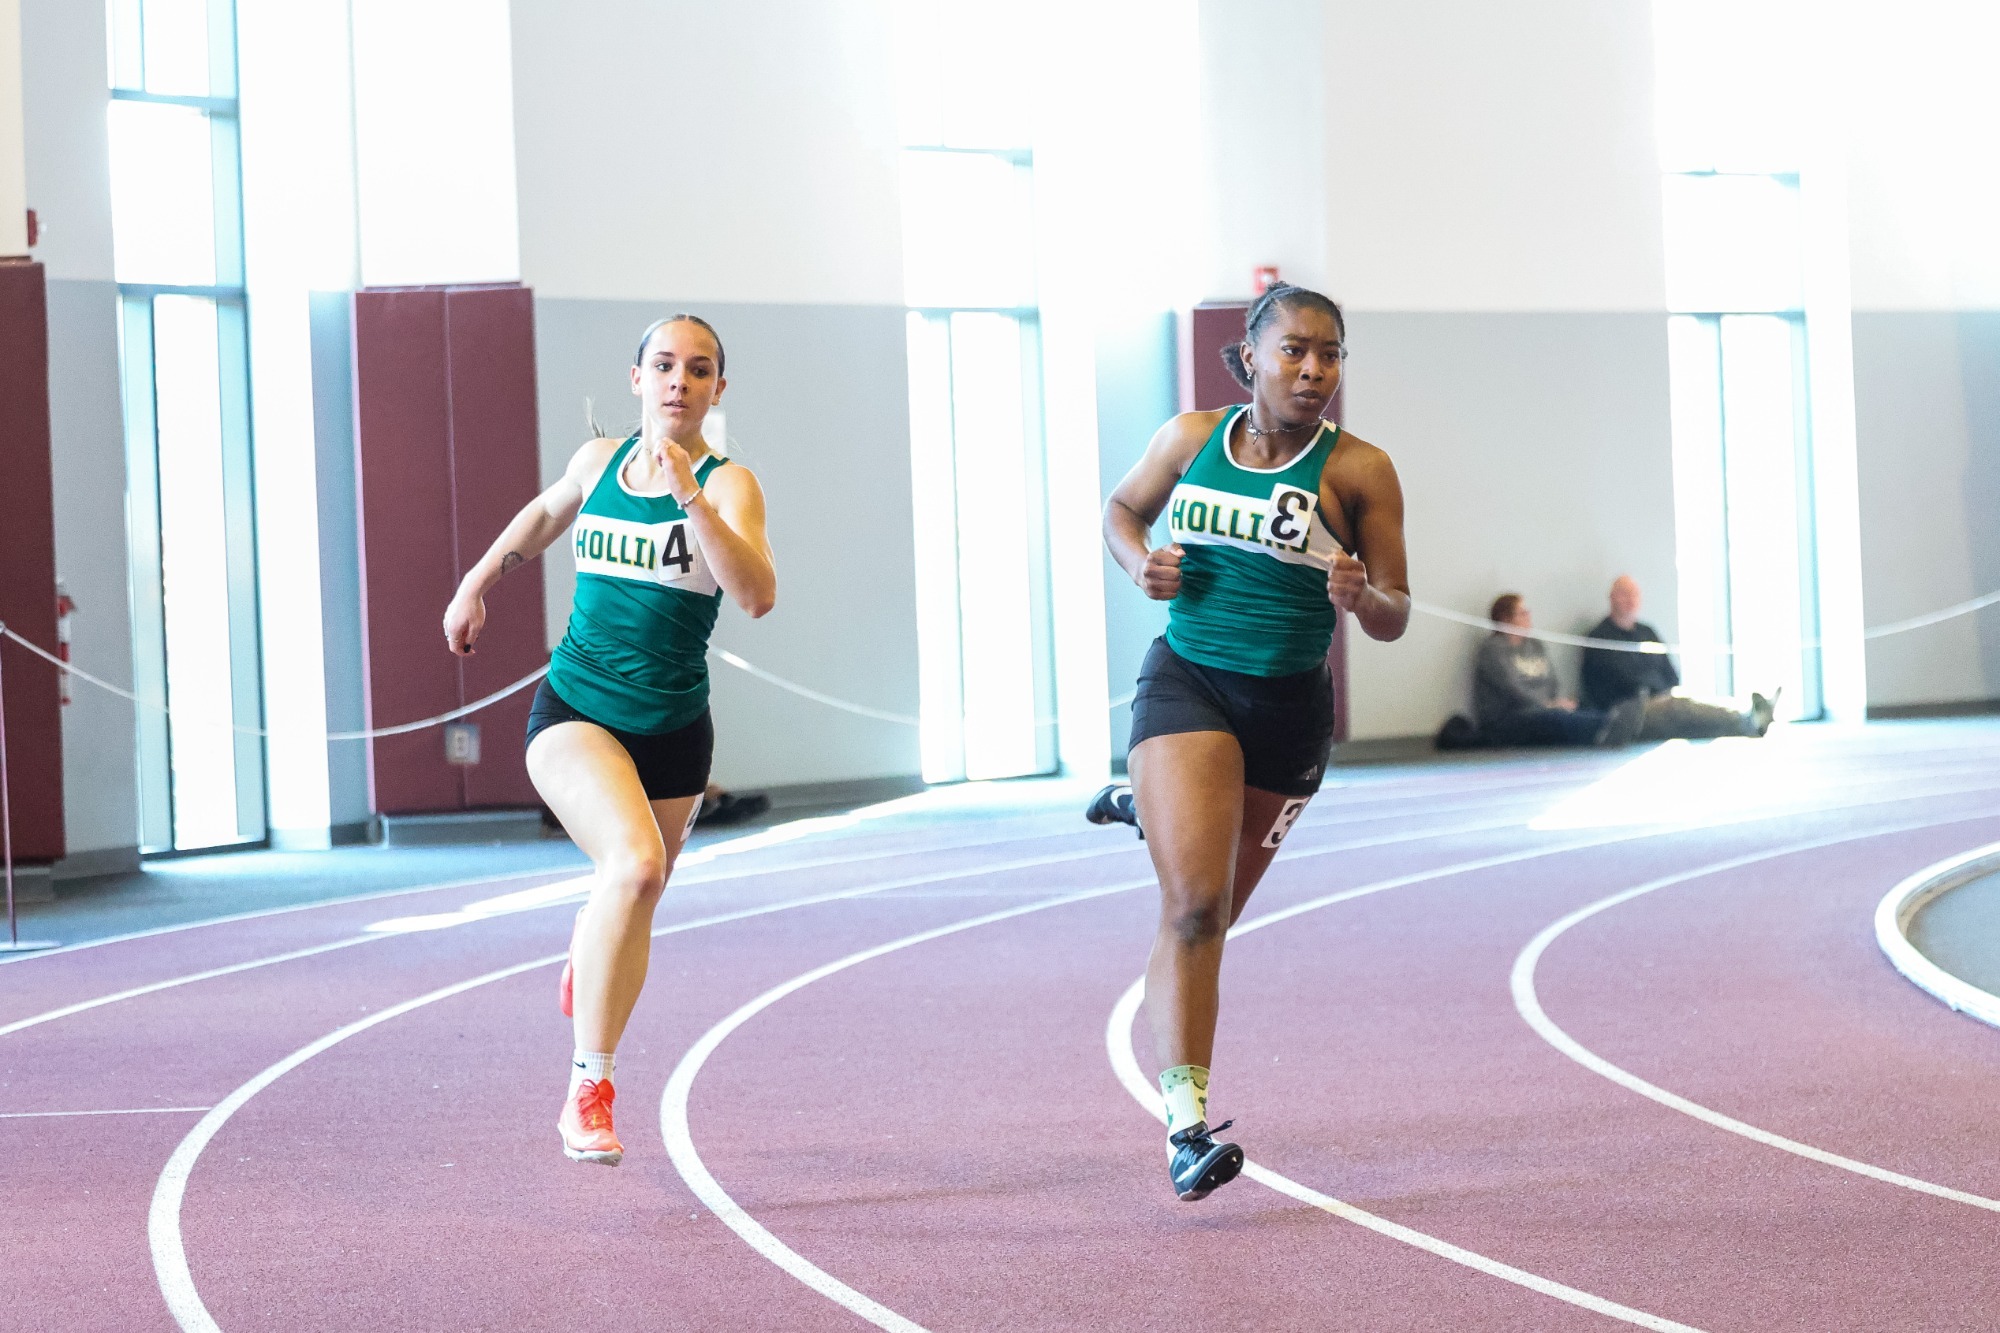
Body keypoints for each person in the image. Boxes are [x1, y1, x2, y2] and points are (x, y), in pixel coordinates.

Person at [1095, 283, 1409, 1200]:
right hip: (1190, 681)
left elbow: (1394, 613)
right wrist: (1138, 562)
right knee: (1192, 908)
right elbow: (1120, 511)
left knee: (1217, 912)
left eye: (1332, 354)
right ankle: (1185, 1130)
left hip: (1288, 714)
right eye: (1295, 352)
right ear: (1250, 359)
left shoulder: (1359, 471)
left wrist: (1362, 597)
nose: (1314, 371)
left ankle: (1150, 811)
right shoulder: (1190, 440)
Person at [442, 315, 776, 1166]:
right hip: (577, 709)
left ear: (716, 390)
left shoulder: (731, 486)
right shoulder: (598, 464)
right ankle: (588, 1089)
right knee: (634, 867)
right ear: (636, 378)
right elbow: (543, 517)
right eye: (663, 365)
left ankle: (589, 945)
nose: (678, 382)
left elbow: (757, 595)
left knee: (632, 895)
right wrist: (476, 584)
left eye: (698, 371)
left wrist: (689, 496)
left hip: (674, 729)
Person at [1580, 575, 1775, 738]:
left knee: (1691, 713)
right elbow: (1603, 687)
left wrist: (1663, 694)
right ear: (1612, 597)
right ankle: (1747, 720)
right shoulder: (1599, 637)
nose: (1630, 599)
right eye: (1624, 594)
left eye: (1634, 594)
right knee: (1679, 710)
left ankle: (1749, 721)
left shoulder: (1648, 632)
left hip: (1662, 700)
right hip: (1628, 712)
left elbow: (1671, 674)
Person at [1476, 594, 1644, 747]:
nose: (1528, 617)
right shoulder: (1493, 650)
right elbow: (1513, 690)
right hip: (1509, 717)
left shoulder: (1535, 646)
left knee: (1577, 708)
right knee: (1556, 719)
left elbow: (1551, 682)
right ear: (1506, 619)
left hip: (1542, 709)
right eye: (1522, 613)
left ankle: (1615, 724)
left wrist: (1556, 702)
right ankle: (1609, 727)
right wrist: (1547, 705)